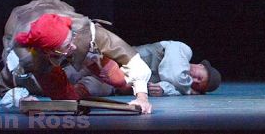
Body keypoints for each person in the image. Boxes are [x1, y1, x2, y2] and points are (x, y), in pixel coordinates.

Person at [0, 0, 153, 113]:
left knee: (119, 80)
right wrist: (21, 99)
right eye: (66, 46)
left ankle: (90, 69)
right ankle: (70, 90)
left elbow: (131, 58)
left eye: (70, 39)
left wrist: (142, 97)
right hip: (27, 30)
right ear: (47, 51)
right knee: (67, 102)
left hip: (59, 18)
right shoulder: (27, 55)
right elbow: (7, 80)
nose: (72, 46)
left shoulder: (82, 31)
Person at [66, 40, 221, 97]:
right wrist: (188, 91)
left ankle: (63, 95)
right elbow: (173, 75)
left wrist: (164, 89)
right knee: (70, 73)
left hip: (118, 82)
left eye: (197, 85)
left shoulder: (180, 86)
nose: (193, 80)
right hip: (112, 60)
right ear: (201, 66)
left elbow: (167, 85)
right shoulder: (183, 50)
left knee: (88, 89)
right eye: (199, 77)